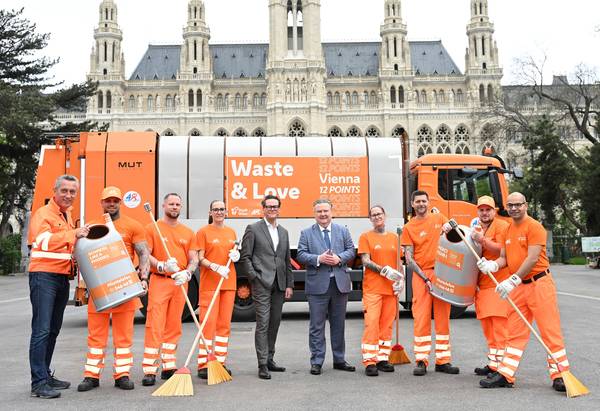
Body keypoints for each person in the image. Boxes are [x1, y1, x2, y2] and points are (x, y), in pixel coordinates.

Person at [478, 192, 570, 392]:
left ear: (525, 205)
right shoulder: (507, 229)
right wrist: (493, 265)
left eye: (518, 204)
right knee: (514, 333)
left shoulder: (534, 227)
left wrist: (513, 279)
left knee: (550, 331)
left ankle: (561, 375)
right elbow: (504, 257)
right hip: (519, 287)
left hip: (539, 284)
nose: (514, 208)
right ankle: (506, 374)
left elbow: (532, 258)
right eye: (510, 205)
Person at [77, 187, 150, 392]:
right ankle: (91, 376)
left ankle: (122, 375)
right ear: (101, 202)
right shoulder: (91, 227)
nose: (112, 204)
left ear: (120, 203)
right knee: (95, 335)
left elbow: (143, 253)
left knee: (123, 336)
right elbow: (84, 258)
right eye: (108, 200)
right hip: (99, 290)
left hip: (125, 288)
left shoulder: (133, 226)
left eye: (115, 200)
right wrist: (84, 285)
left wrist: (144, 278)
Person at [28, 174, 90, 399]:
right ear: (55, 191)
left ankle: (45, 374)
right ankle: (38, 383)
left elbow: (67, 245)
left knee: (53, 330)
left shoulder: (66, 215)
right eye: (64, 190)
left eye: (73, 191)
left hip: (61, 278)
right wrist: (74, 233)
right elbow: (42, 242)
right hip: (44, 277)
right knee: (42, 330)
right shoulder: (43, 214)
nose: (68, 195)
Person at [141, 193, 199, 386]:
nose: (174, 207)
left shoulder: (188, 232)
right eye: (171, 204)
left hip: (180, 282)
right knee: (155, 324)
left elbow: (193, 258)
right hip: (160, 280)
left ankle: (169, 366)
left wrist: (188, 272)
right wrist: (161, 265)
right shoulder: (152, 228)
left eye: (177, 204)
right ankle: (150, 370)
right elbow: (145, 254)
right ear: (163, 206)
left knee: (174, 325)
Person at [400, 190, 459, 376]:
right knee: (421, 317)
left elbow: (455, 232)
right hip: (421, 275)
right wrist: (425, 278)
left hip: (442, 273)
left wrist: (451, 225)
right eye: (417, 201)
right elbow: (409, 259)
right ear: (412, 204)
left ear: (428, 202)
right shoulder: (408, 228)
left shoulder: (439, 218)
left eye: (424, 201)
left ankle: (443, 361)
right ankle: (421, 360)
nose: (421, 204)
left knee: (443, 317)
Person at [296, 198, 356, 375]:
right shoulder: (306, 233)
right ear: (314, 213)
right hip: (317, 286)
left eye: (325, 211)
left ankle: (339, 359)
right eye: (319, 211)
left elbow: (351, 250)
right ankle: (317, 361)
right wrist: (318, 259)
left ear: (331, 212)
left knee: (339, 325)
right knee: (317, 326)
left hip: (339, 285)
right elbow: (300, 254)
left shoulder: (343, 230)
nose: (323, 214)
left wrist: (340, 258)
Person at [240, 195, 294, 380]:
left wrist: (289, 284)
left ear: (279, 209)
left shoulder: (284, 232)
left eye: (275, 206)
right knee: (263, 323)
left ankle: (270, 359)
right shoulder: (253, 228)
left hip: (279, 284)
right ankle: (262, 364)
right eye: (269, 206)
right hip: (261, 283)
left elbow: (286, 260)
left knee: (274, 323)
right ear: (263, 208)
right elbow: (245, 256)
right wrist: (254, 278)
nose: (272, 209)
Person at [358, 205, 405, 377]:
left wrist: (401, 279)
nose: (377, 216)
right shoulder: (365, 237)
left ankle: (382, 358)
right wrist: (384, 270)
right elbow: (365, 261)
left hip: (390, 290)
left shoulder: (395, 238)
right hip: (373, 289)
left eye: (379, 214)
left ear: (385, 215)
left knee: (386, 325)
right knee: (372, 324)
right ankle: (370, 361)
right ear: (370, 219)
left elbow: (399, 262)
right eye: (373, 215)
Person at [195, 200, 239, 379]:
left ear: (226, 212)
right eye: (216, 209)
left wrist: (236, 255)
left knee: (224, 326)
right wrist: (213, 266)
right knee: (208, 325)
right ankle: (203, 364)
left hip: (228, 283)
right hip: (210, 284)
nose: (219, 212)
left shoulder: (231, 232)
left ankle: (220, 363)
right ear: (210, 212)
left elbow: (233, 253)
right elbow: (199, 258)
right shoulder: (203, 232)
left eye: (222, 209)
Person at [470, 196, 510, 377]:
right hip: (483, 286)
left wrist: (482, 240)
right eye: (482, 210)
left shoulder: (502, 226)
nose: (485, 213)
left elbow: (502, 251)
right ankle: (493, 364)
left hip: (498, 284)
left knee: (500, 328)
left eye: (488, 210)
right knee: (488, 328)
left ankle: (502, 367)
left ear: (495, 211)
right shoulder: (476, 227)